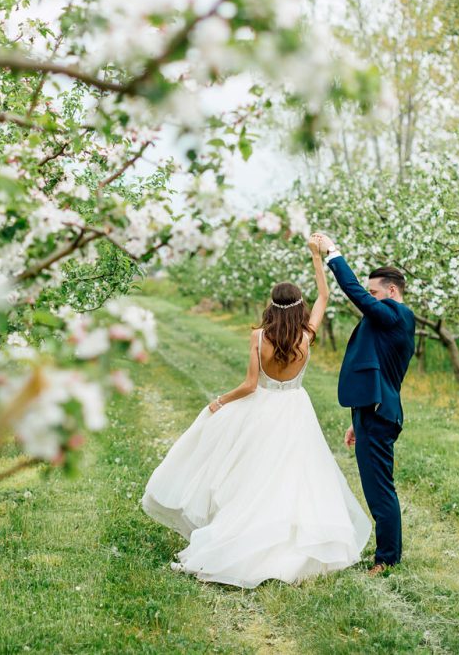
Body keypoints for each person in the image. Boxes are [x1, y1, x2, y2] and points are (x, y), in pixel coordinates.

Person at [141, 235, 371, 588]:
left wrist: (220, 400)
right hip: (295, 409)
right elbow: (324, 296)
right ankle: (293, 541)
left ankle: (246, 535)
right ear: (299, 307)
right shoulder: (307, 336)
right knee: (297, 475)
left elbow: (249, 386)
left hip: (263, 409)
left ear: (270, 306)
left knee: (255, 475)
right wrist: (315, 257)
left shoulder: (259, 337)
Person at [313, 232, 415, 575]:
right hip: (372, 410)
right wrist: (357, 419)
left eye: (375, 293)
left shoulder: (396, 315)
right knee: (376, 485)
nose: (369, 299)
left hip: (380, 412)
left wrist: (332, 254)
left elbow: (355, 293)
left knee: (379, 488)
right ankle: (387, 554)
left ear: (392, 292)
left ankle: (387, 559)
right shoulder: (386, 319)